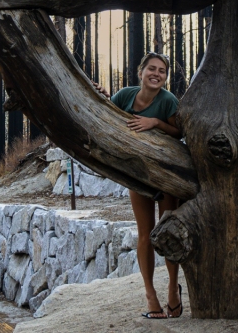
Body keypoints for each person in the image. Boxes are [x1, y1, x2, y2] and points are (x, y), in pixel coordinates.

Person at [95, 52, 184, 319]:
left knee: (167, 230)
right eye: (152, 69)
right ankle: (150, 295)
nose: (157, 74)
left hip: (167, 174)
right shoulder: (125, 96)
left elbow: (180, 133)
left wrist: (155, 122)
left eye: (162, 71)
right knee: (144, 234)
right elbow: (107, 114)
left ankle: (172, 289)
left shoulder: (168, 101)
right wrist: (101, 95)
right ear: (141, 71)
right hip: (138, 174)